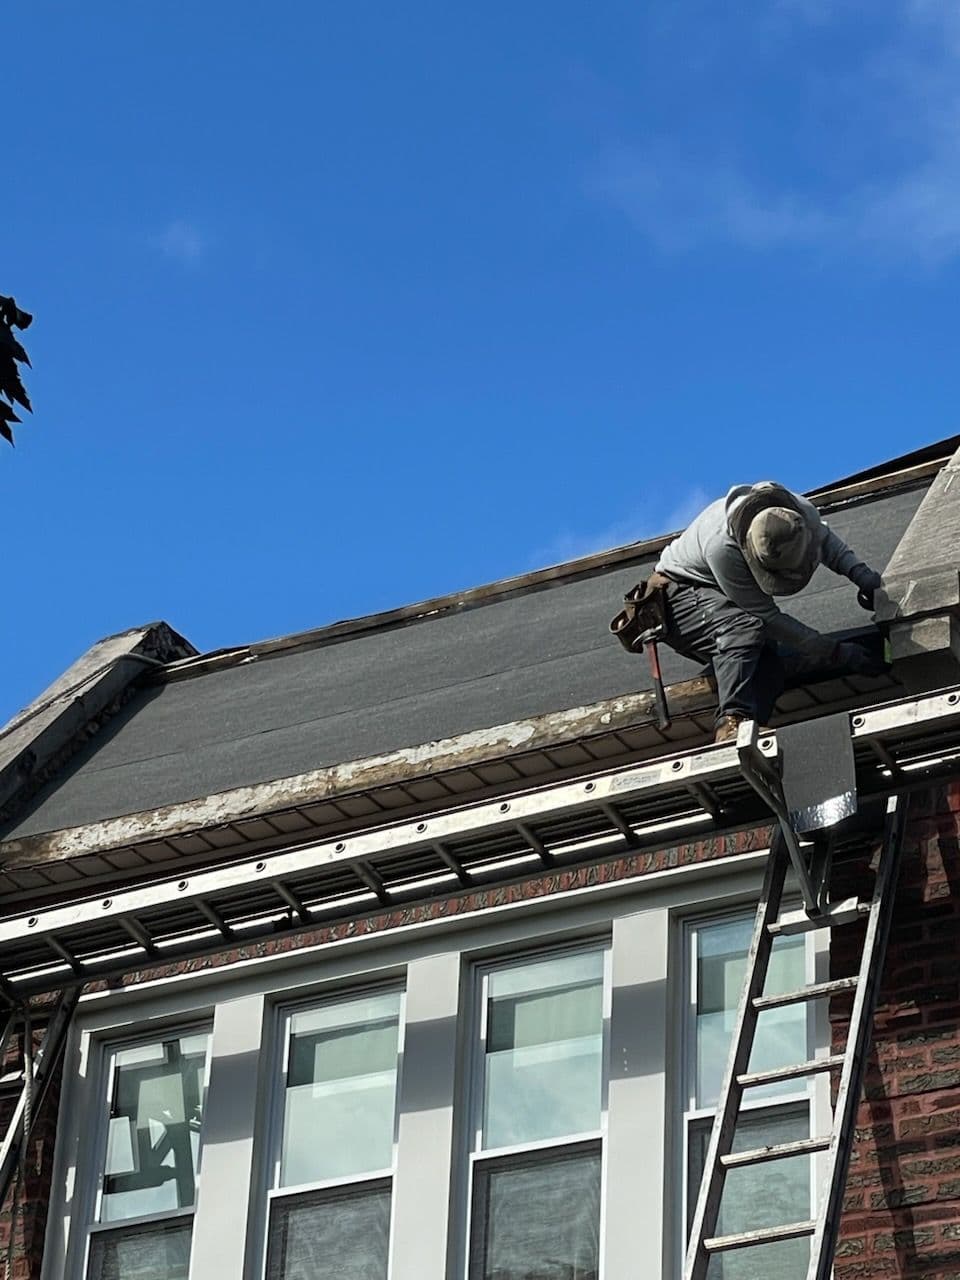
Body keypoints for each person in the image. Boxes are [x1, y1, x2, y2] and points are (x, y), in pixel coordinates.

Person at [651, 481, 886, 742]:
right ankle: (732, 723)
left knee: (770, 668)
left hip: (717, 599)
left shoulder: (795, 512)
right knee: (741, 628)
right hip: (676, 597)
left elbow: (827, 542)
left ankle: (749, 733)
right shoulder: (722, 548)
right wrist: (836, 652)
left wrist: (865, 578)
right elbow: (768, 619)